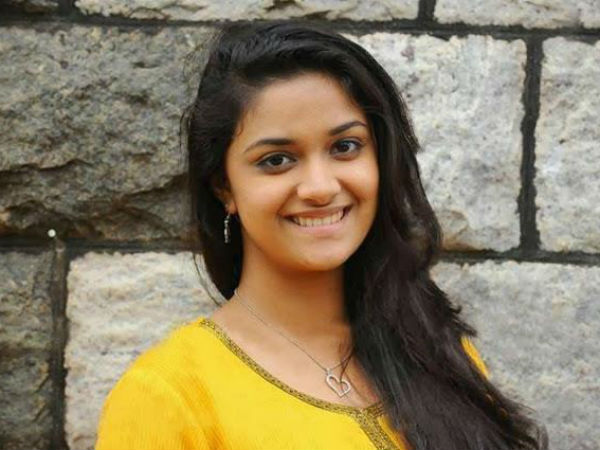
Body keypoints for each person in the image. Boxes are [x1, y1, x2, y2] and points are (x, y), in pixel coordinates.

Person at [95, 20, 547, 450]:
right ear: (225, 187)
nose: (320, 187)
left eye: (345, 147)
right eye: (276, 160)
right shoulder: (167, 396)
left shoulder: (439, 352)